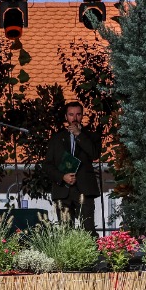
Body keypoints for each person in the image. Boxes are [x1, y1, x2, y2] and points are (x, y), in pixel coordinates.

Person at [43, 101, 100, 236]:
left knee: (89, 230)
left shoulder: (91, 136)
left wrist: (79, 135)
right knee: (65, 232)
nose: (74, 118)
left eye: (78, 114)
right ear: (66, 116)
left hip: (84, 189)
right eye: (71, 115)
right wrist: (62, 177)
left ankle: (92, 256)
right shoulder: (57, 138)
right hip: (63, 190)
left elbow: (94, 154)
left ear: (82, 116)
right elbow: (47, 165)